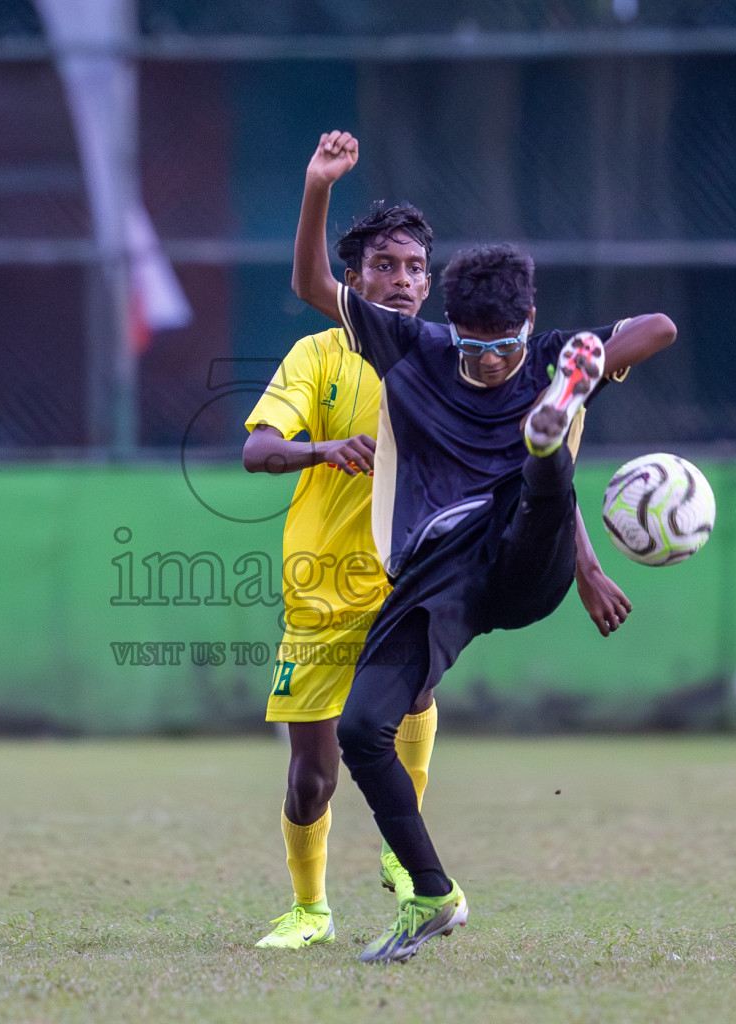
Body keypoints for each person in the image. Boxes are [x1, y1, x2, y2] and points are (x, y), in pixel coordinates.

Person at [290, 131, 676, 963]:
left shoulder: (544, 356)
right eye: (475, 346)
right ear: (449, 327)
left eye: (506, 345)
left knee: (539, 478)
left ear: (529, 326)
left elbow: (662, 325)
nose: (492, 360)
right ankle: (432, 893)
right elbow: (312, 282)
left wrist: (596, 361)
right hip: (438, 577)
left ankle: (551, 434)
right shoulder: (414, 346)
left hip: (525, 558)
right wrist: (319, 187)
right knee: (362, 731)